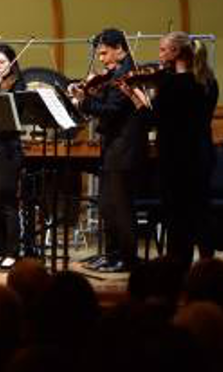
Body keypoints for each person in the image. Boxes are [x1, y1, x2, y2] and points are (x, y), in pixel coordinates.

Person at [125, 31, 208, 272]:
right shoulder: (207, 82)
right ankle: (202, 270)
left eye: (163, 50)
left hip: (176, 160)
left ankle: (176, 270)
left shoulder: (172, 84)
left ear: (176, 52)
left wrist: (135, 96)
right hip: (200, 156)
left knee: (176, 219)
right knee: (194, 216)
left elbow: (152, 120)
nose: (159, 55)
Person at [75, 28, 147, 273]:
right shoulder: (114, 73)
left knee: (121, 207)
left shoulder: (126, 74)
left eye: (105, 53)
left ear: (119, 48)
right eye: (99, 55)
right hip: (113, 147)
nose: (102, 59)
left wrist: (84, 102)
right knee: (107, 205)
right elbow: (106, 105)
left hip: (124, 149)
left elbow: (112, 110)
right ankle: (111, 253)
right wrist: (92, 94)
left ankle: (126, 258)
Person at [0, 43, 27, 268]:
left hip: (9, 150)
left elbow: (16, 115)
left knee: (8, 202)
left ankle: (12, 251)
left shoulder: (18, 85)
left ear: (11, 62)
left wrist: (6, 93)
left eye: (1, 62)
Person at [192, 38, 219, 259]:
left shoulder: (188, 83)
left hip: (190, 150)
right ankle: (206, 257)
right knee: (202, 208)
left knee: (190, 209)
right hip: (204, 148)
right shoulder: (210, 81)